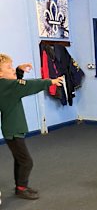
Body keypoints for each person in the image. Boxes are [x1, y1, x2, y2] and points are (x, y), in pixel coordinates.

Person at [0, 54, 64, 200]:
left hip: (12, 128)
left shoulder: (5, 86)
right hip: (13, 130)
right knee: (26, 161)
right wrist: (51, 81)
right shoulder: (7, 86)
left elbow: (17, 84)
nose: (12, 71)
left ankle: (20, 186)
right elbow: (28, 86)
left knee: (20, 159)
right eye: (9, 68)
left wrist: (19, 70)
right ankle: (21, 188)